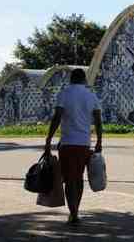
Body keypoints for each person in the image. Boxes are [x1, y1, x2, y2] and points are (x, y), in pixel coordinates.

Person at [45, 68, 103, 226]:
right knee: (78, 178)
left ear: (71, 79)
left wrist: (49, 139)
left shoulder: (65, 93)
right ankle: (75, 209)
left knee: (70, 179)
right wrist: (99, 141)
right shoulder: (90, 95)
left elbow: (57, 117)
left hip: (68, 143)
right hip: (84, 144)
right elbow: (98, 119)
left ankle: (73, 212)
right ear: (84, 79)